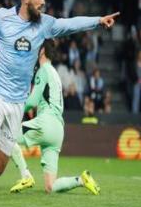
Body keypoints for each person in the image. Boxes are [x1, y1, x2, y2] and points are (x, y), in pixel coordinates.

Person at [0, 0, 119, 207]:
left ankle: (1, 149)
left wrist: (97, 20)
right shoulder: (2, 18)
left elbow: (70, 24)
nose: (43, 1)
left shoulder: (44, 25)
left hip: (17, 104)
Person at [9, 40, 100, 195]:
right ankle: (81, 180)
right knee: (50, 186)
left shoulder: (43, 70)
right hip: (58, 130)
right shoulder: (55, 73)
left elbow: (32, 101)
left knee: (7, 137)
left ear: (42, 51)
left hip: (46, 123)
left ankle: (26, 176)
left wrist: (14, 110)